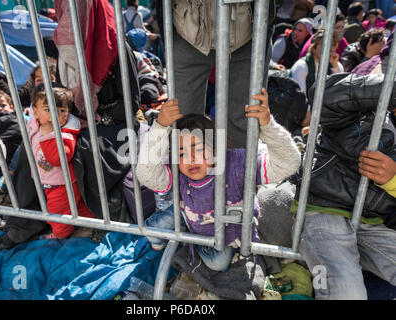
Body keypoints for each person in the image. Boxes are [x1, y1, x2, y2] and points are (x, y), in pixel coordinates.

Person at [135, 89, 301, 272]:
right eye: (181, 153)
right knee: (154, 230)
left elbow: (289, 163)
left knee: (218, 263)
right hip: (187, 214)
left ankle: (190, 240)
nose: (190, 158)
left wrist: (268, 126)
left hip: (227, 232)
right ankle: (170, 237)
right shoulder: (180, 173)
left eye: (197, 149)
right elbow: (146, 174)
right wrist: (160, 126)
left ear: (216, 148)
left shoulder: (237, 164)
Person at [292, 72, 396, 299]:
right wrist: (389, 88)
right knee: (348, 293)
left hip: (372, 225)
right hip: (322, 211)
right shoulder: (367, 105)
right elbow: (322, 95)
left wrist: (392, 178)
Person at [165, 0, 278, 148]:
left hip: (249, 29)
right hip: (186, 26)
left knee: (245, 120)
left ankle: (238, 170)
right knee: (182, 121)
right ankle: (188, 169)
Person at [26, 83, 95, 239]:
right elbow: (36, 106)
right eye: (48, 109)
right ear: (35, 113)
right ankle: (95, 223)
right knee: (76, 208)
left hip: (63, 185)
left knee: (58, 213)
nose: (56, 115)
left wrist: (50, 135)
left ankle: (60, 235)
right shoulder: (36, 123)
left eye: (62, 110)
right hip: (50, 182)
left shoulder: (66, 133)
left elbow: (58, 159)